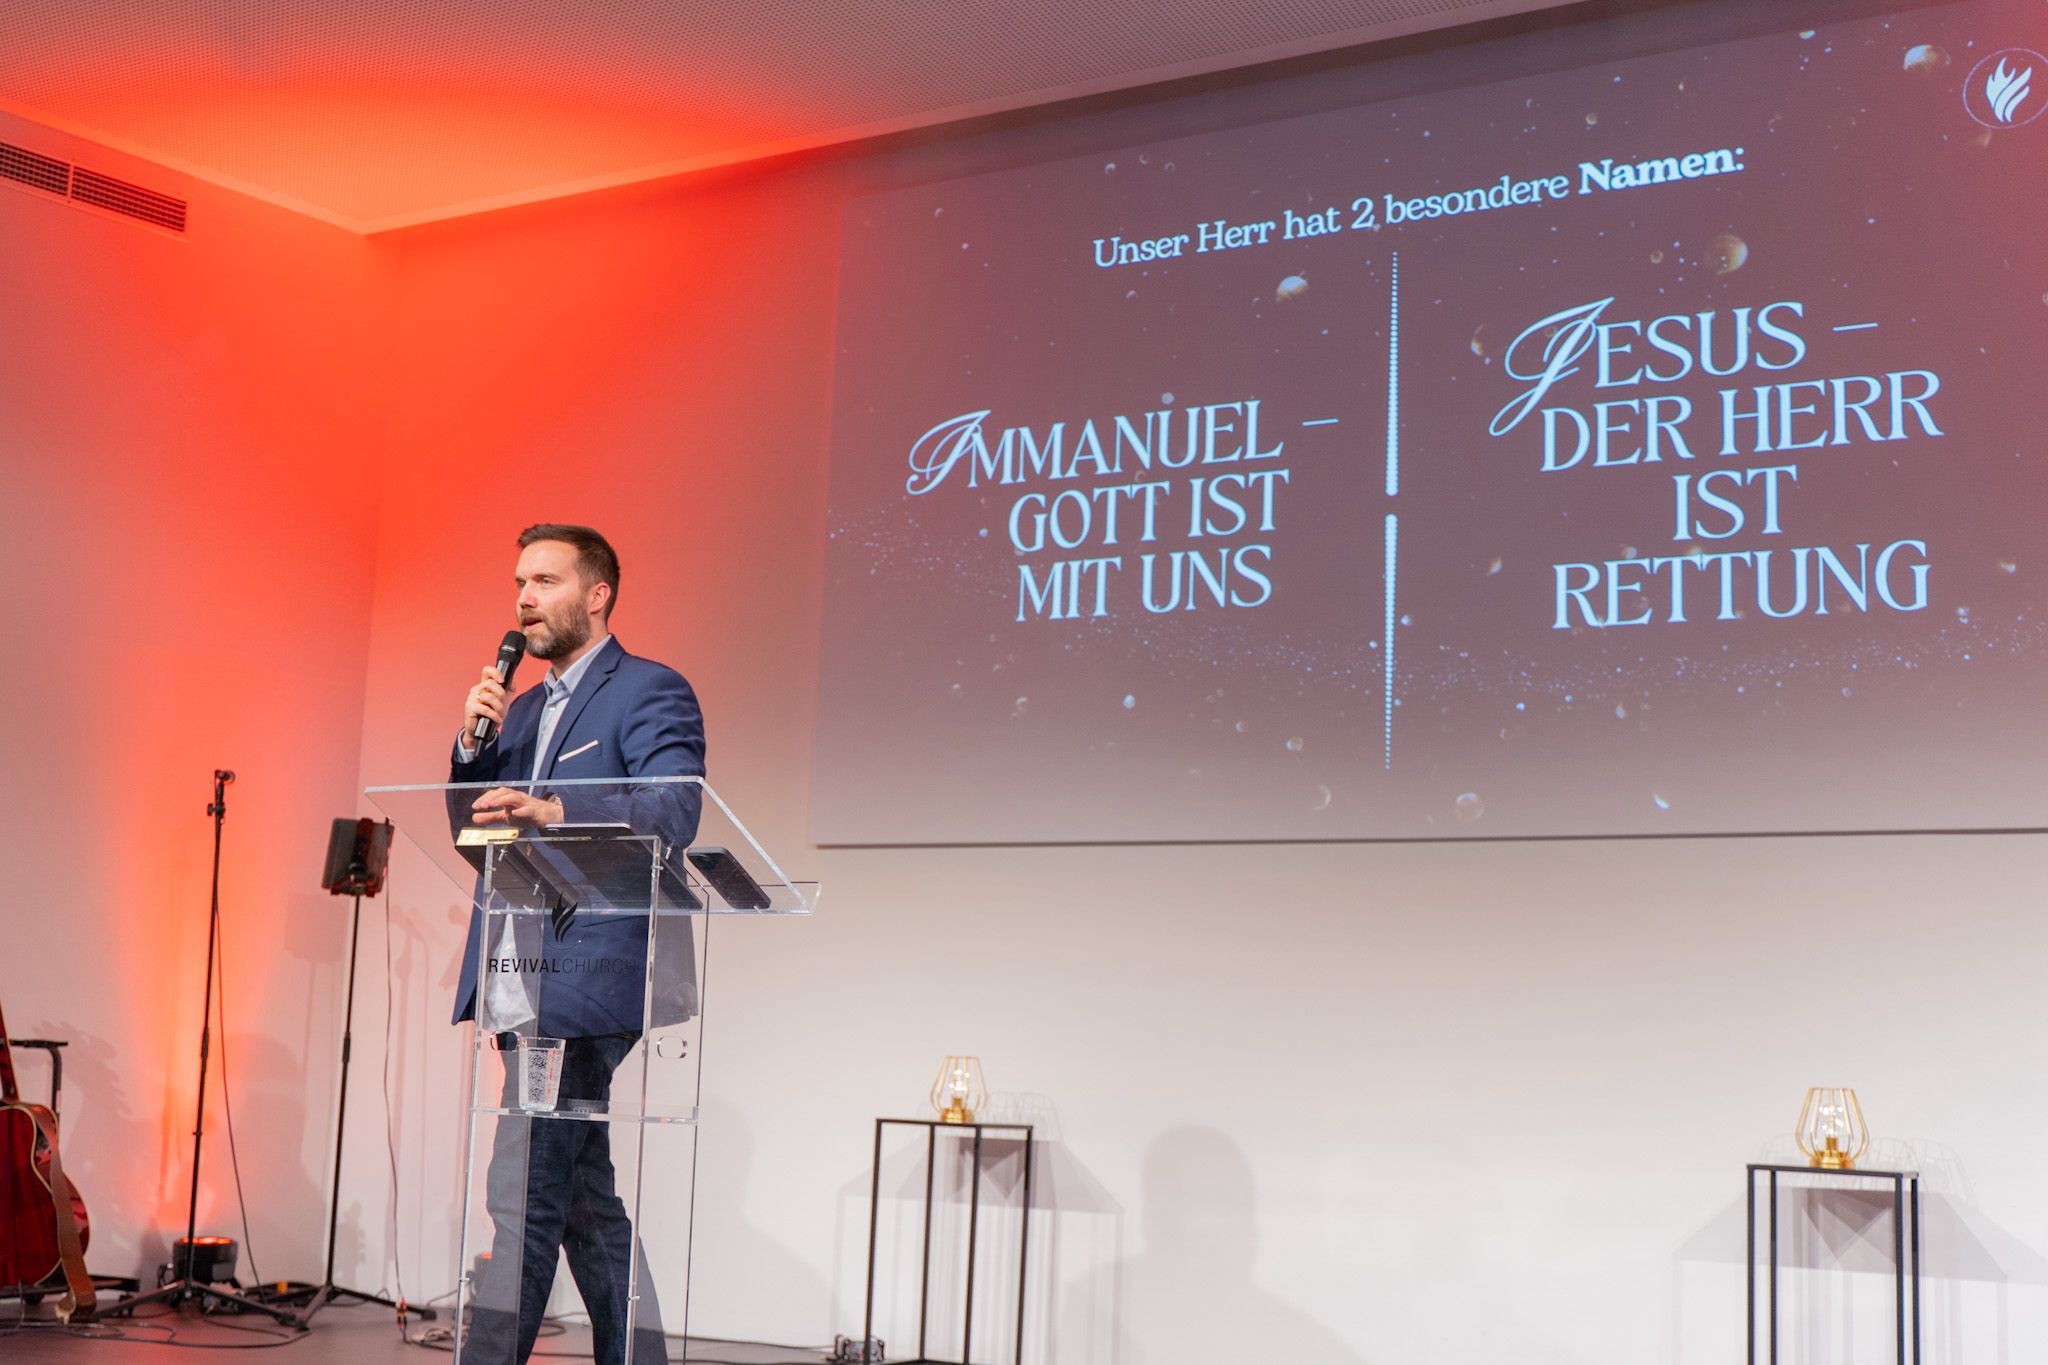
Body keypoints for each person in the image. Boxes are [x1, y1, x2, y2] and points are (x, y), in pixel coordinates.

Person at [449, 524, 705, 1365]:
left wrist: (554, 810)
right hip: (519, 974)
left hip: (589, 977)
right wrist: (472, 748)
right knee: (586, 1207)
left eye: (545, 581)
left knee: (522, 1194)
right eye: (519, 581)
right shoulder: (518, 710)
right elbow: (471, 833)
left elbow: (671, 812)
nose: (524, 598)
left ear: (597, 595)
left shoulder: (651, 690)